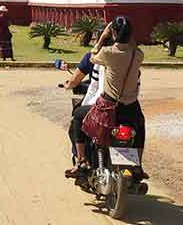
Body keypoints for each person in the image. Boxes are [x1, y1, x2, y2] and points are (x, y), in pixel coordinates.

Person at [88, 16, 147, 180]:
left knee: (80, 118)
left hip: (109, 106)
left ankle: (83, 162)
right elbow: (133, 48)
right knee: (140, 128)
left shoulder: (107, 53)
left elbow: (93, 57)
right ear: (131, 35)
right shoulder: (138, 55)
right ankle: (138, 166)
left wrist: (102, 38)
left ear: (113, 32)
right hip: (131, 107)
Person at [62, 46, 103, 177]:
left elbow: (75, 81)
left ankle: (81, 160)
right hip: (129, 106)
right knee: (139, 123)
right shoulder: (134, 56)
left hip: (104, 104)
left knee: (77, 117)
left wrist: (69, 85)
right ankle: (138, 167)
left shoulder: (96, 58)